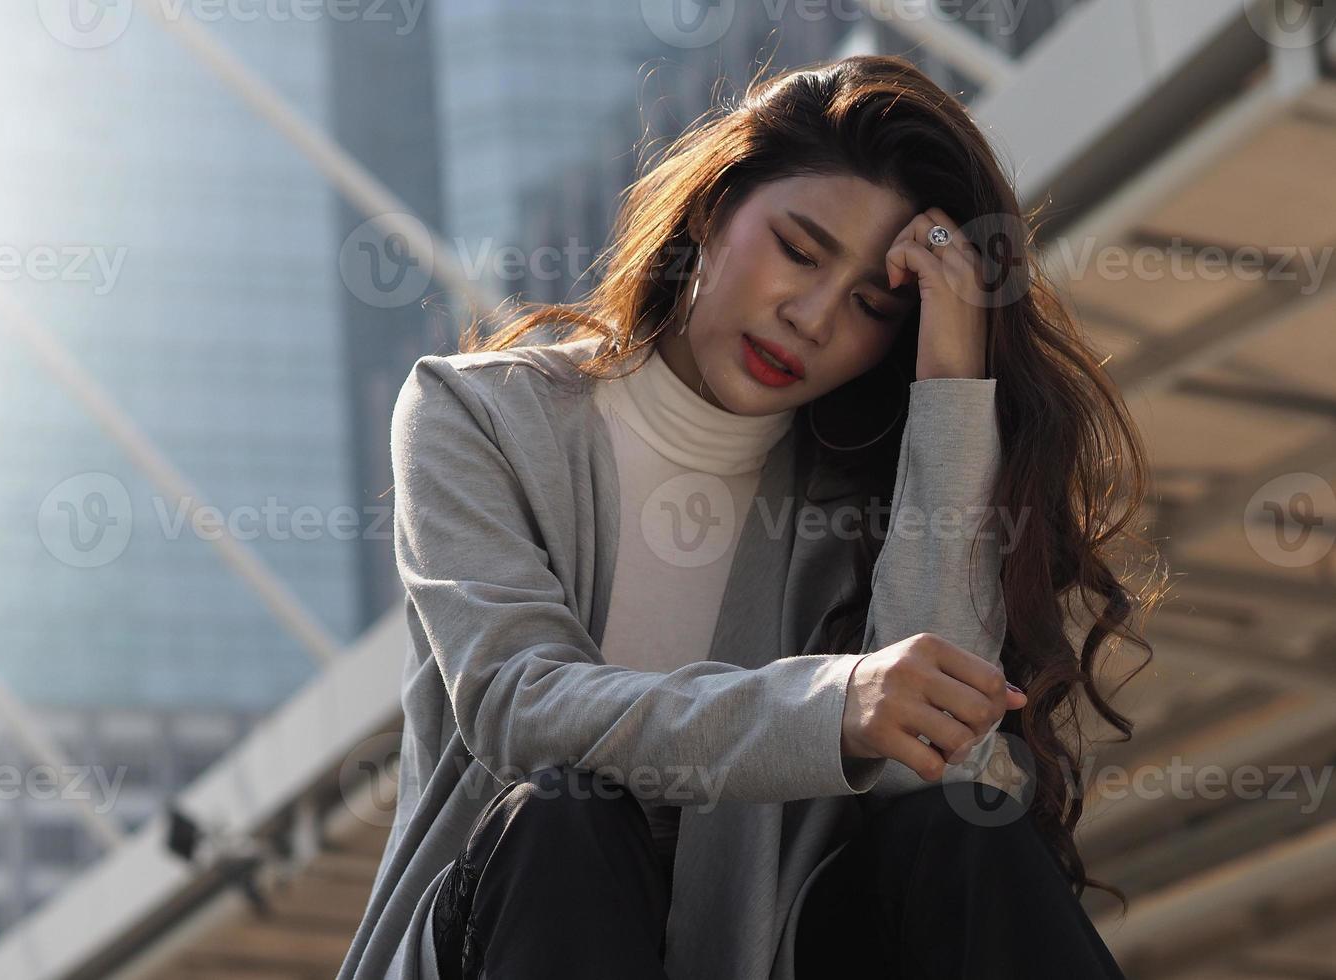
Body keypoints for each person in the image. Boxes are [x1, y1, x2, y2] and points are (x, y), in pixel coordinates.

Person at [335, 55, 1164, 980]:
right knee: (569, 809)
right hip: (504, 930)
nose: (812, 318)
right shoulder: (477, 415)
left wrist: (951, 389)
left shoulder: (853, 493)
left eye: (871, 304)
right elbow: (518, 702)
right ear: (708, 211)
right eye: (799, 252)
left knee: (962, 829)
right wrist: (837, 704)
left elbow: (936, 757)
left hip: (755, 953)